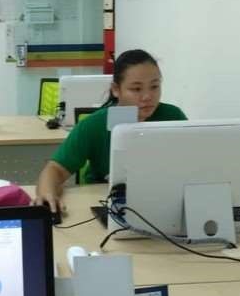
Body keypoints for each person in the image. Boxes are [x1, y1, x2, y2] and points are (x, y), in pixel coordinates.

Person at [34, 49, 187, 213]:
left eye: (154, 86)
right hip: (105, 204)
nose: (147, 96)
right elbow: (55, 169)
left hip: (160, 203)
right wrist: (47, 193)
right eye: (136, 89)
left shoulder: (173, 117)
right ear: (116, 89)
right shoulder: (95, 124)